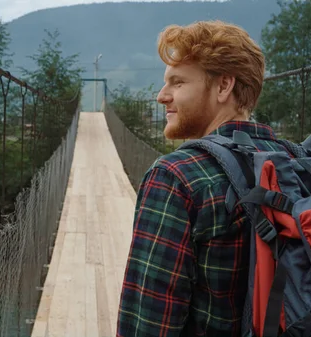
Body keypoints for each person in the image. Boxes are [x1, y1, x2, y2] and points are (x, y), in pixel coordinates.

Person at [116, 20, 293, 336]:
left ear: (224, 86)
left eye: (178, 82)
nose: (161, 96)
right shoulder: (297, 165)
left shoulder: (175, 178)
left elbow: (148, 324)